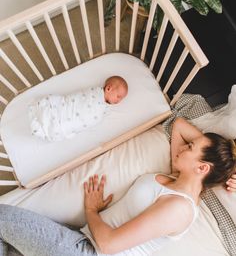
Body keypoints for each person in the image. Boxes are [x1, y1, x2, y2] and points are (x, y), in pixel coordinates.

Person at [0, 117, 236, 256]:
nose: (183, 147)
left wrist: (92, 210)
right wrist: (230, 166)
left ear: (203, 168)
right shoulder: (178, 179)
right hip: (81, 239)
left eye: (190, 147)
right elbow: (179, 125)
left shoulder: (179, 209)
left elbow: (108, 244)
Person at [29, 75, 128, 142]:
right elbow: (79, 98)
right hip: (67, 110)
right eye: (118, 96)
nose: (119, 101)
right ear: (108, 88)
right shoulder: (95, 93)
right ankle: (45, 113)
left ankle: (45, 126)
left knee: (60, 128)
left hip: (73, 123)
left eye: (121, 99)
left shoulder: (105, 108)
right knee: (60, 110)